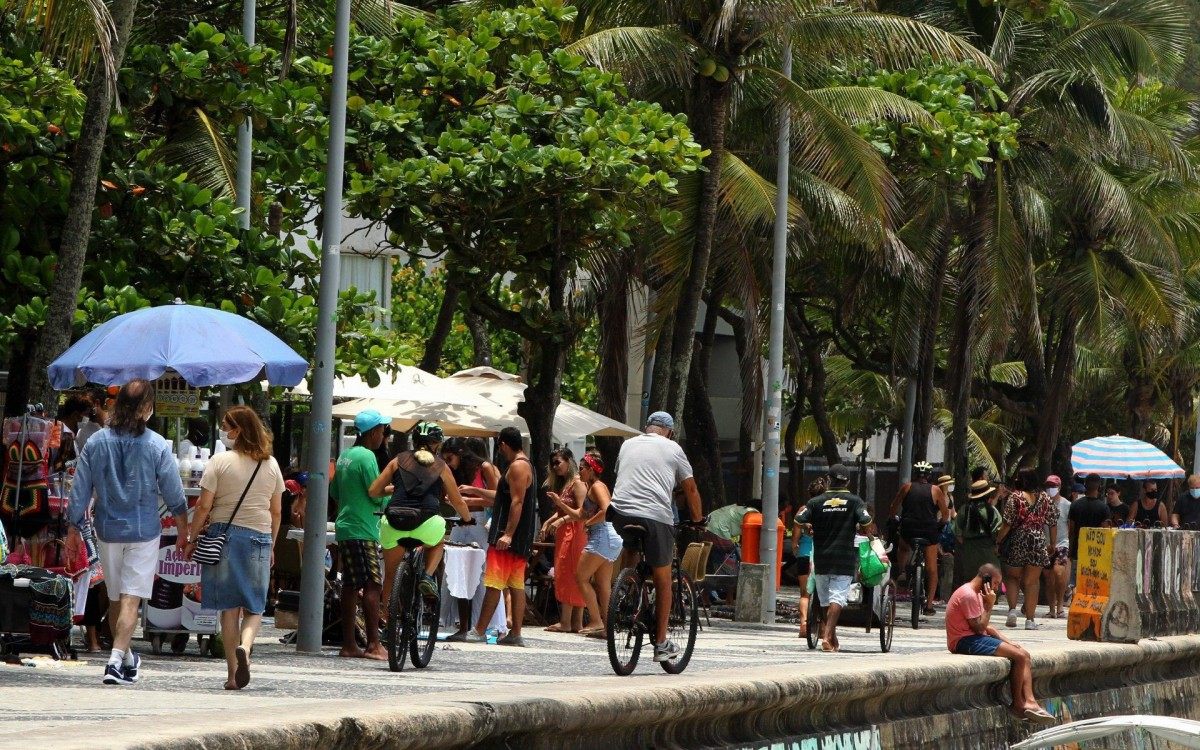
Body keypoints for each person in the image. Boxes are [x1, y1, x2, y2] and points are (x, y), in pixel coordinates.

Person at [67, 379, 188, 685]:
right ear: (147, 408)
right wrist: (184, 529)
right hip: (144, 531)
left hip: (107, 530)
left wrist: (72, 527)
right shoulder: (157, 445)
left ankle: (128, 658)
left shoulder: (95, 443)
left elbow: (79, 490)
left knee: (118, 599)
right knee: (130, 600)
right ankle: (114, 662)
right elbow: (174, 494)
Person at [184, 406, 283, 690]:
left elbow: (204, 506)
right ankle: (247, 646)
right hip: (259, 537)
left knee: (229, 609)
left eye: (227, 426)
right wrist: (272, 544)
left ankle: (231, 675)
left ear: (238, 430)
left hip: (223, 538)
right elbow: (276, 511)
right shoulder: (271, 464)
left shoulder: (220, 462)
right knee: (254, 607)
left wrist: (192, 539)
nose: (223, 431)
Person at [606, 412, 705, 662]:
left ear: (647, 428)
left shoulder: (628, 444)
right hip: (654, 516)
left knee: (631, 547)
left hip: (619, 511)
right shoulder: (673, 448)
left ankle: (627, 590)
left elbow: (624, 476)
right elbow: (690, 488)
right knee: (663, 578)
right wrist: (697, 519)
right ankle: (660, 643)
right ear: (669, 432)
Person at [370, 422, 474, 615]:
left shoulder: (397, 460)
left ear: (414, 440)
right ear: (437, 445)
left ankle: (387, 624)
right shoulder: (441, 466)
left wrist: (394, 489)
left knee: (390, 577)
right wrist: (467, 519)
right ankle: (427, 576)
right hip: (426, 522)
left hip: (394, 521)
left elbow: (374, 491)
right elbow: (457, 501)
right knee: (438, 541)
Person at [945, 563, 1055, 724]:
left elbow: (987, 628)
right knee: (1019, 657)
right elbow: (979, 627)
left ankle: (1025, 702)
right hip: (963, 641)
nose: (996, 589)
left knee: (1024, 654)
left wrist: (1008, 642)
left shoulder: (976, 593)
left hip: (973, 637)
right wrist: (989, 606)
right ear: (986, 579)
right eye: (995, 584)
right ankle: (1024, 703)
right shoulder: (968, 594)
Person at [463, 426, 539, 647]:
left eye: (501, 447)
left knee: (494, 584)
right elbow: (504, 496)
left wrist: (507, 534)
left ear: (504, 444)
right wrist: (474, 491)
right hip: (520, 537)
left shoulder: (517, 466)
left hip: (508, 537)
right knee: (516, 585)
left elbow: (517, 502)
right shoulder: (525, 465)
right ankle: (515, 634)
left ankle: (478, 631)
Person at [330, 409, 391, 660]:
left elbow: (334, 491)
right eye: (383, 431)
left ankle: (349, 644)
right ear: (374, 431)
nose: (383, 436)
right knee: (373, 584)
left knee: (351, 585)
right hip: (363, 528)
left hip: (346, 526)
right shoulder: (367, 457)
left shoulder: (346, 455)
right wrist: (393, 493)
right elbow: (375, 492)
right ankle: (374, 644)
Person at [795, 463, 872, 652]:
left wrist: (809, 527)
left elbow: (799, 519)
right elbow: (866, 520)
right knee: (837, 597)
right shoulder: (855, 501)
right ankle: (828, 636)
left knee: (823, 600)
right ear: (847, 481)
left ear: (829, 480)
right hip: (843, 558)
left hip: (821, 558)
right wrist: (868, 534)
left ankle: (831, 635)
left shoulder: (815, 502)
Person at [550, 452, 622, 637]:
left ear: (591, 470)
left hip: (602, 536)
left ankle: (596, 620)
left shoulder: (597, 486)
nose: (579, 471)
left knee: (580, 577)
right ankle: (608, 627)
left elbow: (607, 510)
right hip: (609, 538)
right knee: (603, 585)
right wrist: (560, 504)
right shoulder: (593, 487)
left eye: (582, 468)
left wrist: (590, 523)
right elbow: (579, 515)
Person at [441, 437, 498, 641]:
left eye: (450, 458)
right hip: (460, 520)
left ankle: (480, 625)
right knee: (456, 571)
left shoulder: (484, 467)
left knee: (480, 574)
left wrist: (470, 497)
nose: (448, 463)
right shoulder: (454, 472)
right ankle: (463, 625)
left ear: (461, 453)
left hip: (480, 520)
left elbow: (498, 495)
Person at [996, 468, 1055, 631]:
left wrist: (998, 541)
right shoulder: (1045, 498)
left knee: (1012, 576)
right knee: (1032, 582)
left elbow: (1007, 523)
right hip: (1038, 541)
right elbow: (1052, 522)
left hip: (1018, 539)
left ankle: (1012, 611)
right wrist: (1053, 544)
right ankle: (1030, 620)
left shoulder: (1015, 497)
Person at [889, 461, 949, 615]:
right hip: (929, 531)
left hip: (909, 529)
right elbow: (945, 514)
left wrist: (894, 518)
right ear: (929, 476)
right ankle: (929, 605)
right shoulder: (936, 490)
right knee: (932, 569)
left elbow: (893, 508)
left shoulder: (906, 487)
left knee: (903, 547)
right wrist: (940, 524)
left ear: (915, 474)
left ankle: (902, 571)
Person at [539, 448, 586, 633]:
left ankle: (567, 622)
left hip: (575, 533)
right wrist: (548, 522)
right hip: (566, 532)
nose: (555, 467)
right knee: (568, 572)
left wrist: (561, 518)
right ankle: (575, 623)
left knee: (569, 573)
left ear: (569, 461)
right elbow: (562, 511)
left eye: (558, 462)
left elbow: (583, 512)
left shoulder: (578, 484)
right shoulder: (566, 484)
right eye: (553, 463)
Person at [790, 476, 827, 639]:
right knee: (824, 594)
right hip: (822, 555)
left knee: (805, 594)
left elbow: (795, 536)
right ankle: (824, 628)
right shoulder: (828, 509)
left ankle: (803, 625)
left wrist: (795, 546)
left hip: (805, 554)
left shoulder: (803, 510)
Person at [1067, 474, 1111, 591]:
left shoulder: (1075, 505)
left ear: (1085, 485)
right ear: (1099, 487)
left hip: (1078, 550)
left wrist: (1070, 552)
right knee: (1092, 583)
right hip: (1096, 553)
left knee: (1076, 583)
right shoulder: (1104, 508)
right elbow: (1105, 531)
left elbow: (1070, 530)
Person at [956, 480, 1002, 587]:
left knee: (971, 582)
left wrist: (967, 544)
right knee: (990, 582)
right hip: (988, 549)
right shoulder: (992, 510)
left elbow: (958, 533)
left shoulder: (964, 510)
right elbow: (999, 532)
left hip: (969, 549)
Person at [1040, 475, 1070, 620]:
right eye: (1048, 486)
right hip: (1045, 544)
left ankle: (1060, 605)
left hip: (1062, 543)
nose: (1050, 489)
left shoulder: (1067, 505)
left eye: (1053, 486)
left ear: (1059, 487)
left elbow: (1070, 526)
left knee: (1059, 573)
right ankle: (1052, 608)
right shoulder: (1041, 504)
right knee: (1048, 577)